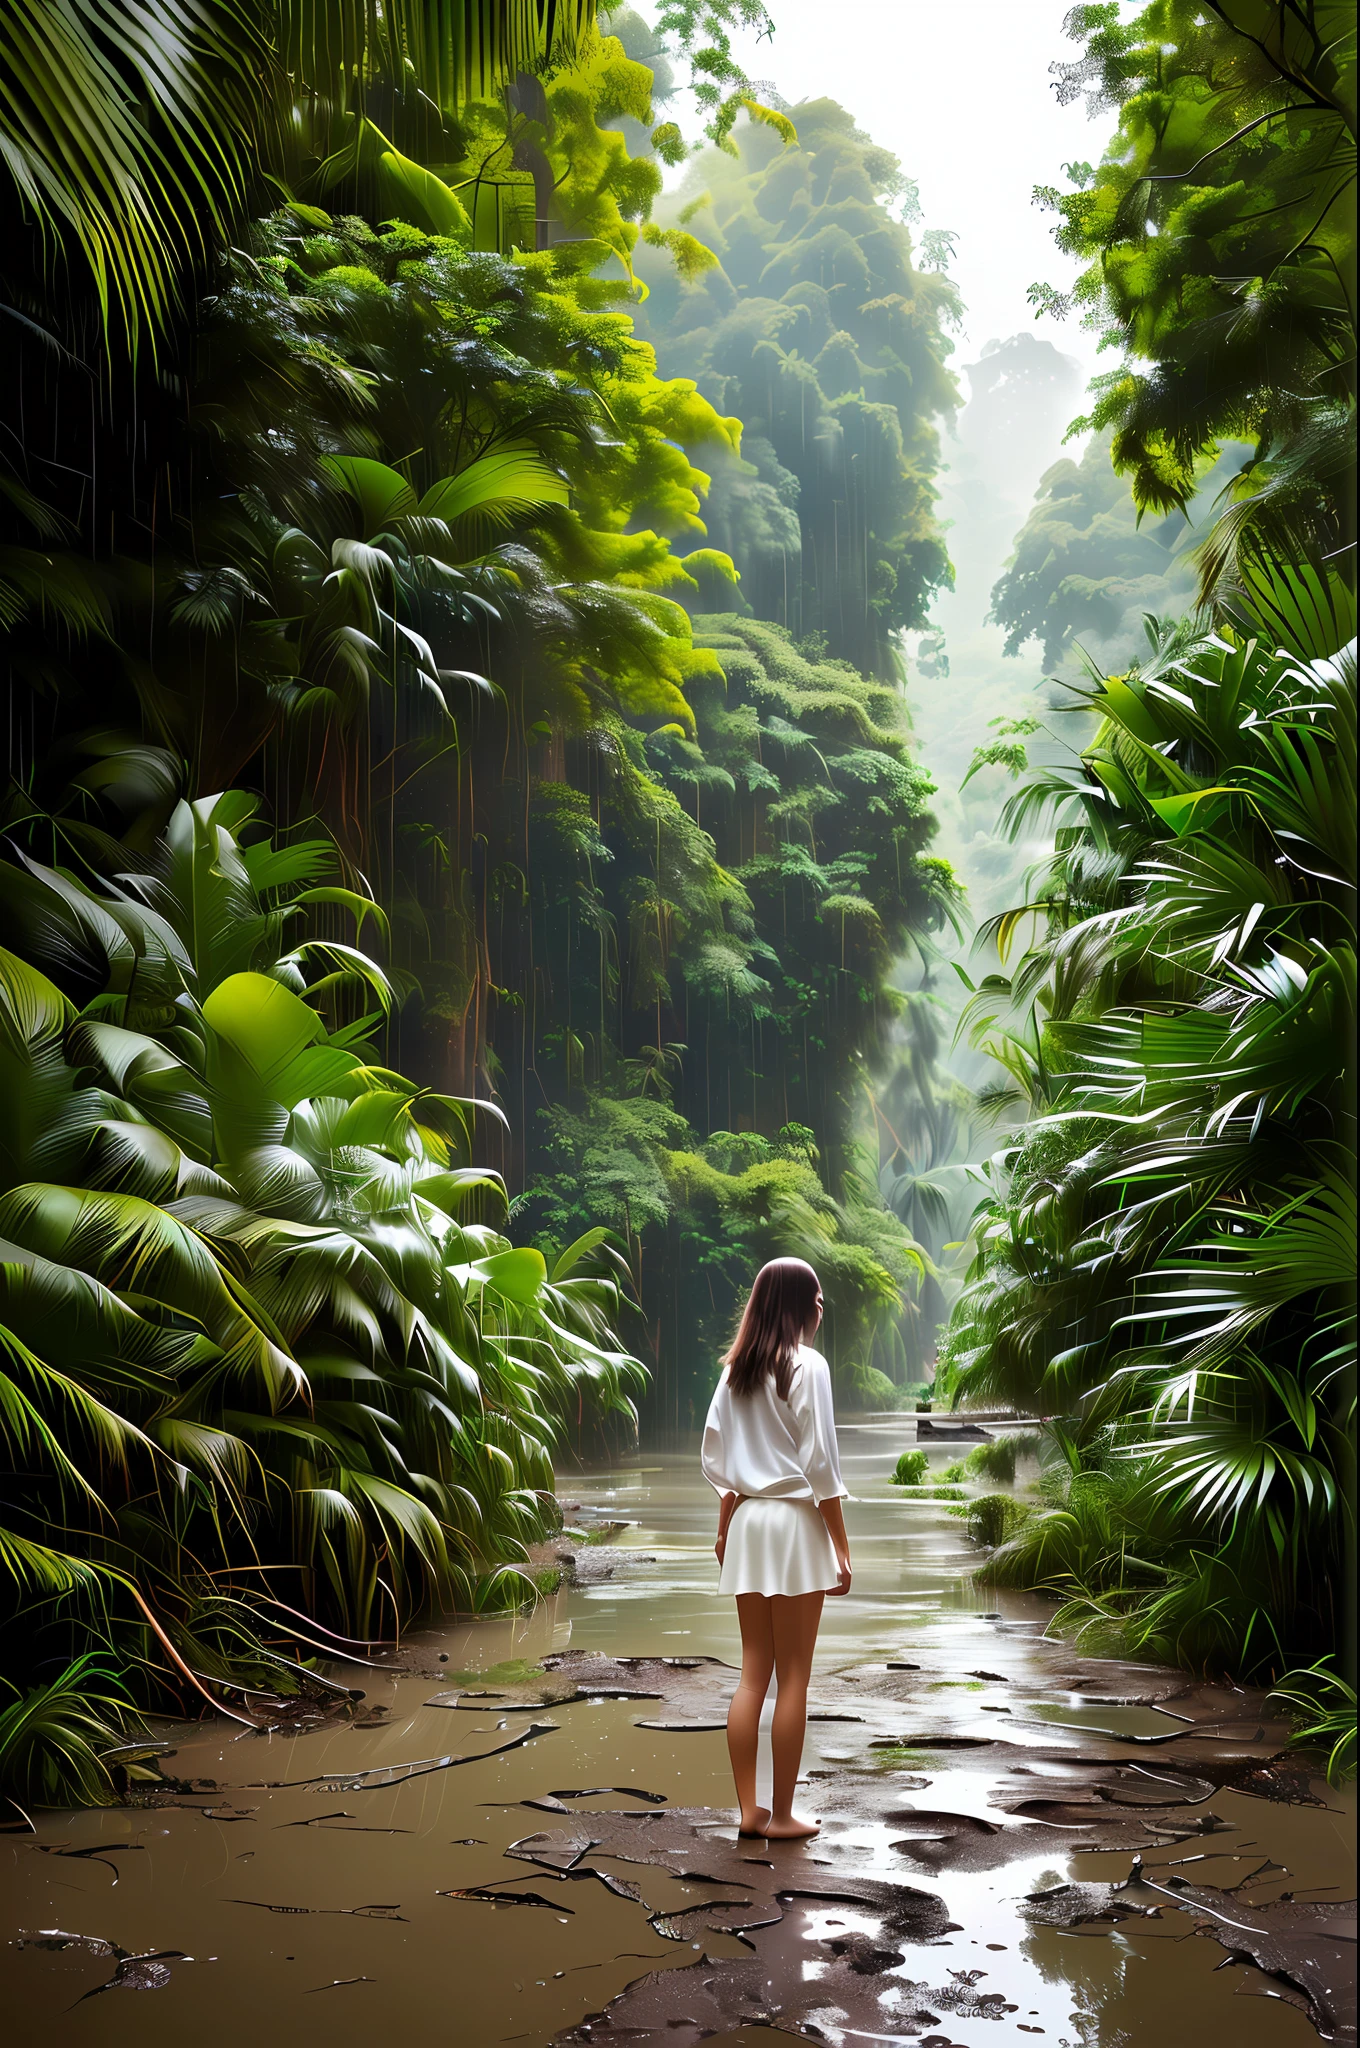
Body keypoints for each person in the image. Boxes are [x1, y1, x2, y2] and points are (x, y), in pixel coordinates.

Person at [701, 1257, 851, 1840]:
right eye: (814, 1297)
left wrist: (723, 1529)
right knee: (794, 1678)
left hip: (748, 1524)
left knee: (751, 1675)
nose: (820, 1307)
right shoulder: (807, 1366)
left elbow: (719, 1460)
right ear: (792, 1303)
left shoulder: (735, 1371)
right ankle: (782, 1815)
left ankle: (747, 1812)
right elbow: (821, 1465)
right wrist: (841, 1548)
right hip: (792, 1524)